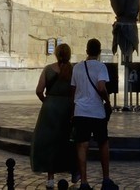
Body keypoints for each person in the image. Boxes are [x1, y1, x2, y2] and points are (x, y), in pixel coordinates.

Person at [71, 38, 116, 190]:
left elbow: (73, 91)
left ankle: (84, 182)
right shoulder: (101, 67)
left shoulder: (77, 67)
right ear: (99, 51)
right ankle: (106, 179)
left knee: (82, 145)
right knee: (103, 143)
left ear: (87, 50)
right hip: (97, 112)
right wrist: (108, 102)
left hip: (80, 111)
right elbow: (101, 87)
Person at [31, 42, 74, 190]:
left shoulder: (48, 69)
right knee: (69, 141)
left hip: (50, 108)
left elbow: (38, 90)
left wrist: (47, 101)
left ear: (56, 54)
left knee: (49, 142)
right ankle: (75, 172)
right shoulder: (74, 70)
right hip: (69, 107)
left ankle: (50, 178)